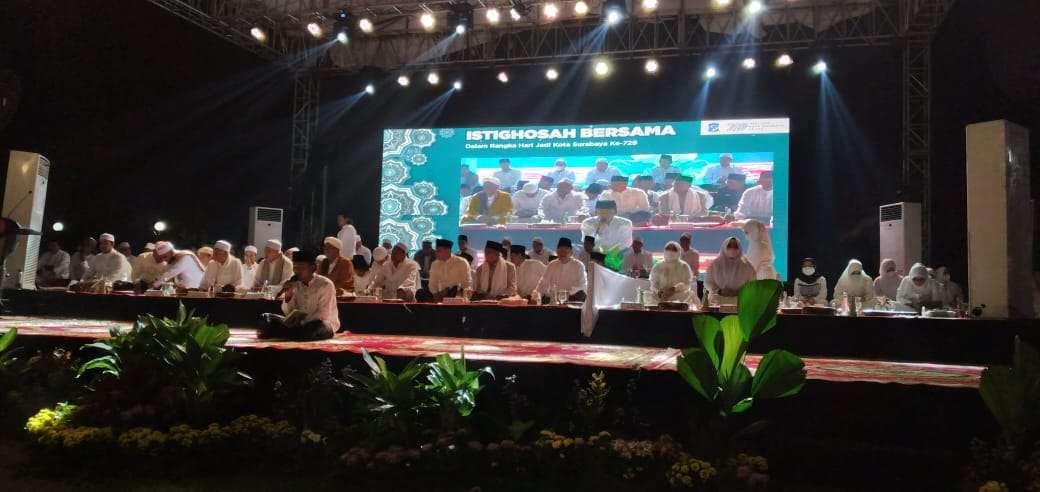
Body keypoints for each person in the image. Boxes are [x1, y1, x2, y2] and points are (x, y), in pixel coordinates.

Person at [258, 250, 338, 341]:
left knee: (315, 327)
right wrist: (289, 295)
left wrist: (301, 323)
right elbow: (288, 312)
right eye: (295, 268)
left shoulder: (325, 284)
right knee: (266, 318)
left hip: (320, 324)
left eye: (301, 268)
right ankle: (291, 333)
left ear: (312, 268)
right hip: (297, 325)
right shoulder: (295, 283)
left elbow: (323, 314)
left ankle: (286, 333)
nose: (297, 272)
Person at [704, 237, 757, 305]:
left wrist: (740, 292)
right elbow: (708, 282)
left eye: (735, 246)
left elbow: (753, 284)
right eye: (729, 246)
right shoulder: (715, 264)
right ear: (724, 247)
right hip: (717, 301)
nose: (732, 249)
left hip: (740, 302)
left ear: (739, 248)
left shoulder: (747, 265)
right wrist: (719, 291)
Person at [536, 237, 588, 302]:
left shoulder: (579, 265)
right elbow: (543, 282)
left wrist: (568, 293)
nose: (563, 253)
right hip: (554, 301)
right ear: (557, 252)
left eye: (566, 251)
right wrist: (536, 294)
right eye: (560, 251)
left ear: (571, 252)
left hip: (573, 300)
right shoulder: (552, 265)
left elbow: (583, 285)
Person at [649, 241, 698, 305]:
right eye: (668, 249)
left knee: (689, 295)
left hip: (679, 295)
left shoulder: (684, 266)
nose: (670, 252)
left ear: (678, 252)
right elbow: (653, 283)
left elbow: (687, 284)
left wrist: (674, 289)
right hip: (661, 295)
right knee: (649, 295)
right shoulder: (658, 266)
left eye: (673, 250)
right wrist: (659, 292)